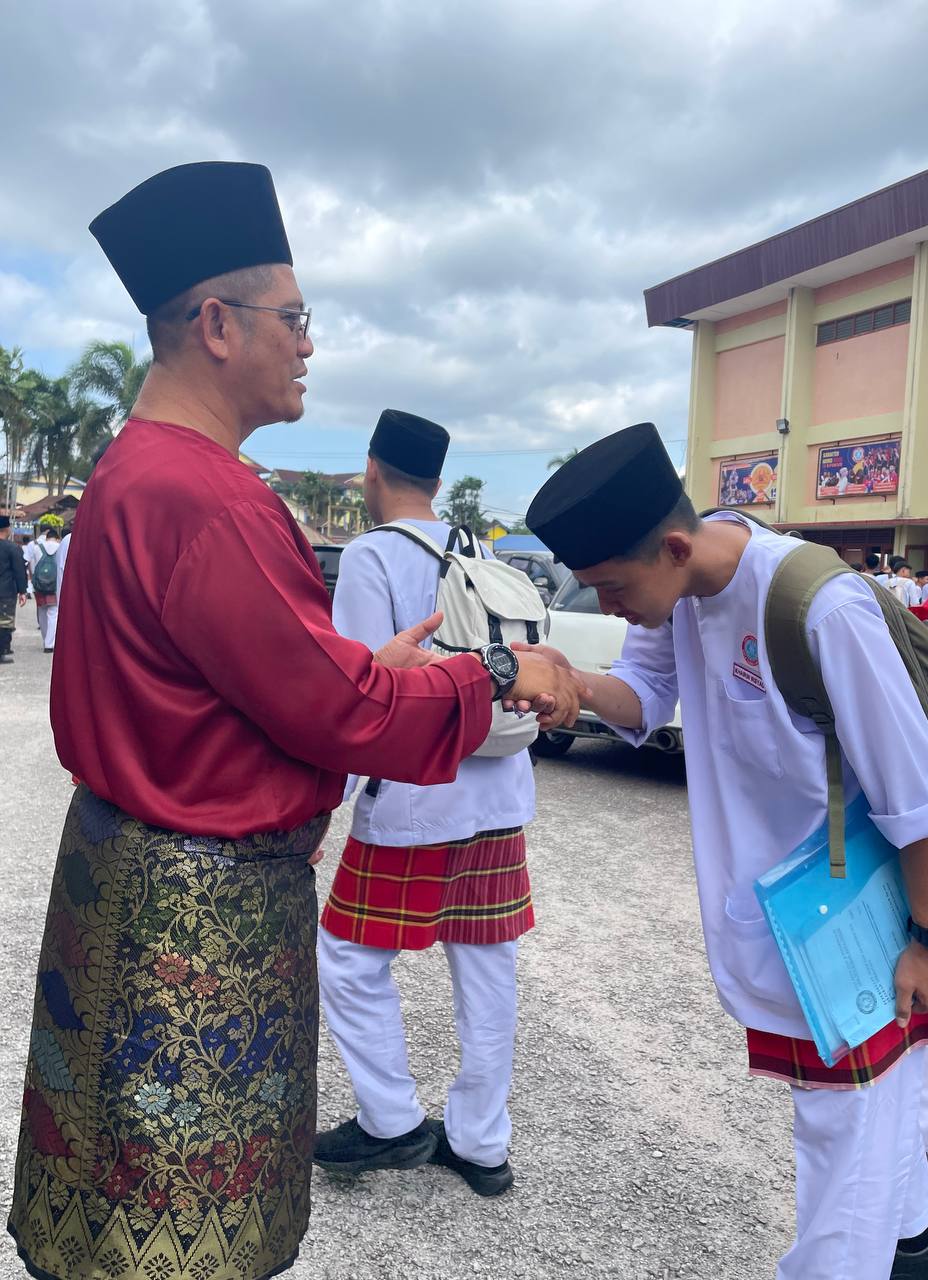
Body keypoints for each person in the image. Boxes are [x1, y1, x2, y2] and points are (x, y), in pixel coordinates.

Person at [7, 162, 579, 1280]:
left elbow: (253, 678)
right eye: (296, 318)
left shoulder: (135, 472)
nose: (309, 346)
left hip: (124, 868)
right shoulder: (211, 496)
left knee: (111, 1181)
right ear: (217, 326)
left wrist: (359, 668)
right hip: (196, 907)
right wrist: (499, 670)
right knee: (179, 1217)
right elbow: (340, 712)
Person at [522, 423, 928, 1280]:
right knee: (859, 1124)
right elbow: (646, 695)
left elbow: (916, 796)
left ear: (675, 547)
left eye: (611, 588)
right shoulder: (681, 591)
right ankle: (919, 1249)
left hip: (859, 923)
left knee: (844, 1146)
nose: (607, 610)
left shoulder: (818, 606)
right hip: (789, 918)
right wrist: (574, 685)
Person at [313, 410, 535, 1197]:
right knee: (487, 963)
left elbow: (362, 694)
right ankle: (481, 1143)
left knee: (347, 957)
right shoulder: (480, 550)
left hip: (415, 793)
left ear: (372, 471)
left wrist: (324, 804)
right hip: (499, 791)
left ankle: (390, 1120)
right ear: (438, 481)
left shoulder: (371, 555)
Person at [26, 523, 61, 650]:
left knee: (41, 611)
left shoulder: (37, 547)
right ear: (57, 537)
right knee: (53, 613)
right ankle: (49, 643)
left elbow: (32, 566)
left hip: (39, 585)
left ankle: (45, 638)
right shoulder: (60, 547)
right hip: (54, 585)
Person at [0, 516, 28, 663]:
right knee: (5, 622)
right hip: (6, 591)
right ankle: (3, 650)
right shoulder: (12, 548)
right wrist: (23, 591)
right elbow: (19, 571)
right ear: (7, 529)